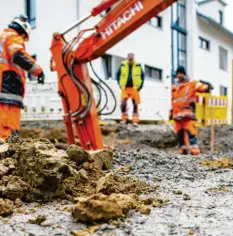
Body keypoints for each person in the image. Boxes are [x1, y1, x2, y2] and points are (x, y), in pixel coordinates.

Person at [0, 14, 45, 141]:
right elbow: (18, 56)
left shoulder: (3, 37)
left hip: (4, 88)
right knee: (8, 130)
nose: (23, 40)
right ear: (22, 30)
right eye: (24, 37)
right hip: (8, 89)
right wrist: (39, 71)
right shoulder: (12, 36)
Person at [172, 66, 211, 155]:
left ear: (184, 74)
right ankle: (183, 151)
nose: (179, 75)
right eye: (178, 73)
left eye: (181, 73)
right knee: (179, 134)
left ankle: (195, 152)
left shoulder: (191, 83)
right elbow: (173, 100)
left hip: (188, 115)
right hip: (177, 116)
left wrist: (206, 87)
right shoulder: (174, 86)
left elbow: (201, 87)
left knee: (191, 133)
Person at [116, 53, 144, 126]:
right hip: (125, 88)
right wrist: (119, 84)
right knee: (123, 104)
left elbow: (142, 76)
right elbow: (117, 74)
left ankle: (135, 121)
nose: (130, 61)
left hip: (134, 88)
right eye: (129, 59)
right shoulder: (123, 65)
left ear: (133, 58)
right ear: (127, 58)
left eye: (132, 59)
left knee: (135, 104)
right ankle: (124, 119)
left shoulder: (138, 65)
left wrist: (140, 86)